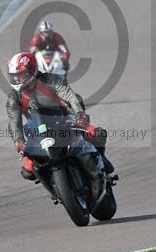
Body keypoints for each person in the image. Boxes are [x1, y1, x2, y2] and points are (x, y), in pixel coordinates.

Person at [6, 52, 112, 181]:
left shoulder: (50, 80)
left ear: (32, 71)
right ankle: (55, 185)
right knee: (28, 172)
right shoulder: (14, 97)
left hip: (64, 118)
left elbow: (70, 96)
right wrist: (19, 140)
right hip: (38, 129)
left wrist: (80, 114)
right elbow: (13, 121)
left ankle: (101, 158)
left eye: (21, 75)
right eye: (14, 76)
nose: (17, 79)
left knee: (94, 133)